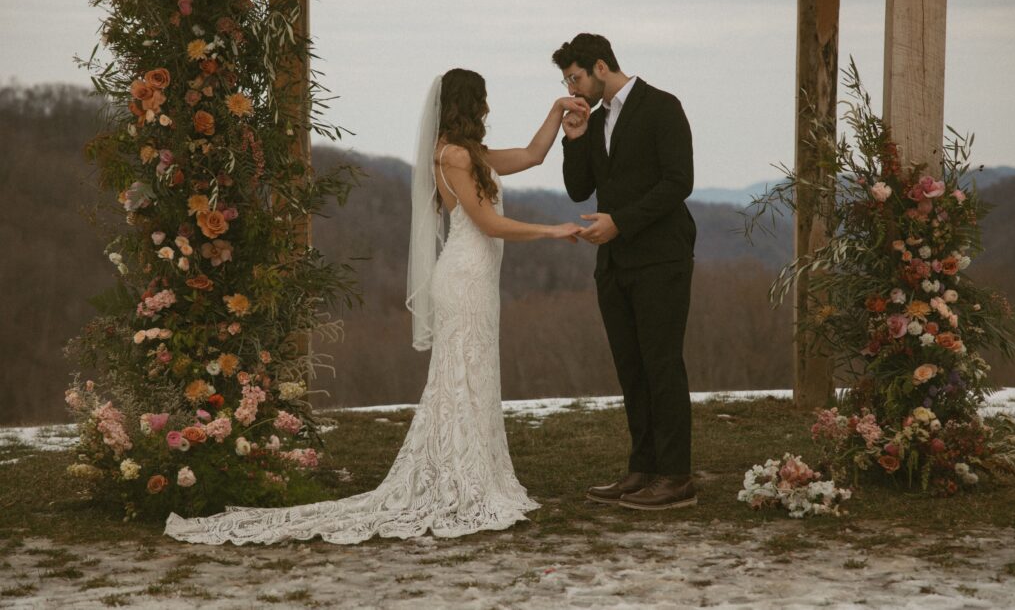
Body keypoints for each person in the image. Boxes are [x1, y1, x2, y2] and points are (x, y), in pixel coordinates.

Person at [164, 68, 588, 544]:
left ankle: (476, 474)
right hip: (464, 279)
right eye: (483, 100)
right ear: (469, 105)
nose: (487, 108)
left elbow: (532, 156)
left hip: (479, 283)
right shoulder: (452, 157)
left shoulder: (474, 156)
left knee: (476, 376)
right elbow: (487, 224)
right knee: (459, 377)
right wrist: (552, 231)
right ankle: (458, 480)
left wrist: (556, 112)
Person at [553, 33, 698, 510]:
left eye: (574, 77)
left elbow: (679, 181)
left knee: (662, 365)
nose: (572, 89)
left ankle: (676, 477)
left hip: (661, 257)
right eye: (566, 81)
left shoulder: (662, 106)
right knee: (631, 369)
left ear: (600, 66)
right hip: (613, 264)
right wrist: (573, 140)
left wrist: (621, 222)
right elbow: (579, 191)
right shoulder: (594, 124)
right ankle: (643, 469)